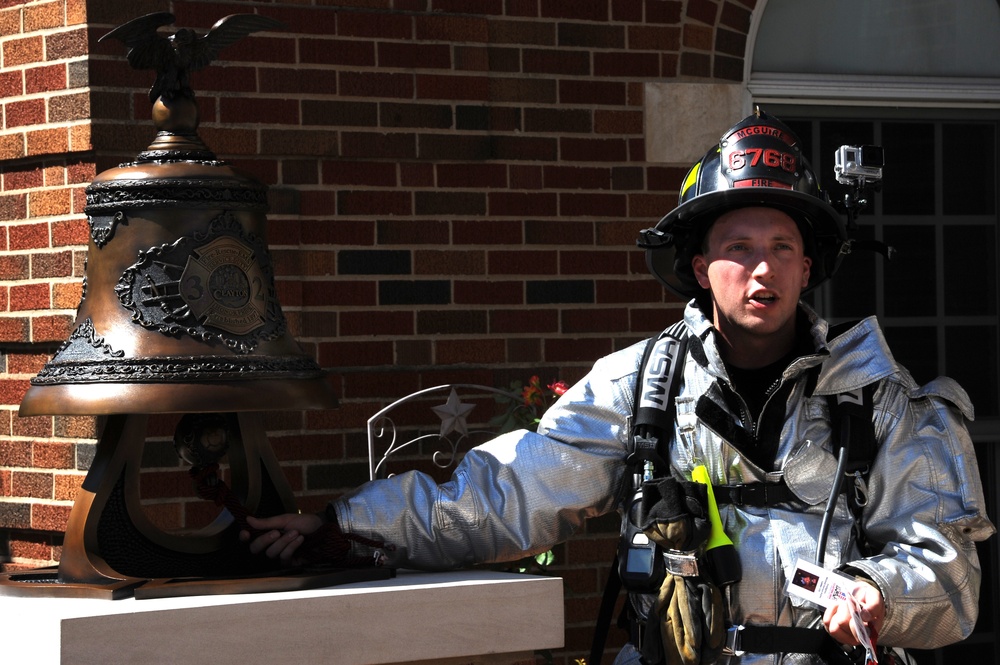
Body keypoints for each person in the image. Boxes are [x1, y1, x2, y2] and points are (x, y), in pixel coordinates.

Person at [243, 111, 994, 664]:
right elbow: (511, 492)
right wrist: (352, 526)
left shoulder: (883, 400)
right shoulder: (642, 388)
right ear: (701, 267)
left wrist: (878, 592)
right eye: (738, 249)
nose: (762, 270)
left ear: (808, 267)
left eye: (782, 249)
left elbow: (952, 577)